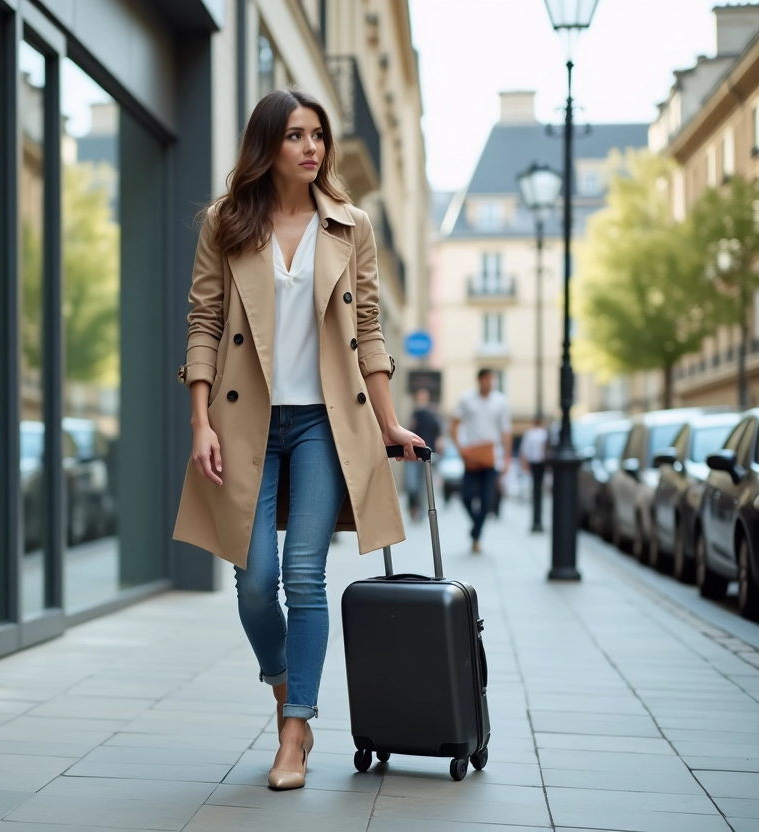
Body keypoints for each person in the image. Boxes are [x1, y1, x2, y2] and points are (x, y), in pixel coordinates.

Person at [173, 89, 424, 792]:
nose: (311, 147)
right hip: (243, 421)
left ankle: (293, 736)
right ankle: (290, 692)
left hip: (322, 423)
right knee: (253, 583)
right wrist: (200, 424)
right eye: (295, 136)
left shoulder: (352, 226)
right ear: (267, 146)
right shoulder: (226, 224)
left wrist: (388, 422)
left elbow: (368, 331)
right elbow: (202, 322)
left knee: (304, 575)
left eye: (318, 135)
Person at [449, 369, 511, 553]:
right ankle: (477, 526)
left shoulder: (500, 401)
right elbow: (453, 424)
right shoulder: (466, 399)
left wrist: (507, 459)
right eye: (486, 379)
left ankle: (476, 536)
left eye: (492, 379)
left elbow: (506, 432)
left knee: (486, 500)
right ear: (479, 380)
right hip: (471, 455)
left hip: (491, 457)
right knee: (466, 497)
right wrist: (460, 448)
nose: (489, 383)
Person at [406, 388, 441, 521]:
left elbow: (438, 433)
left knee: (422, 485)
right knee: (412, 484)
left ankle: (419, 510)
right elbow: (409, 429)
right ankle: (412, 507)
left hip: (426, 455)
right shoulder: (415, 413)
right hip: (412, 454)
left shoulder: (432, 414)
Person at [519, 416, 549, 534]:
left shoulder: (530, 434)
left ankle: (536, 522)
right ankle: (538, 522)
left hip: (535, 463)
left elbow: (524, 451)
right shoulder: (544, 433)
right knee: (539, 493)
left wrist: (524, 464)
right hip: (541, 464)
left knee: (536, 492)